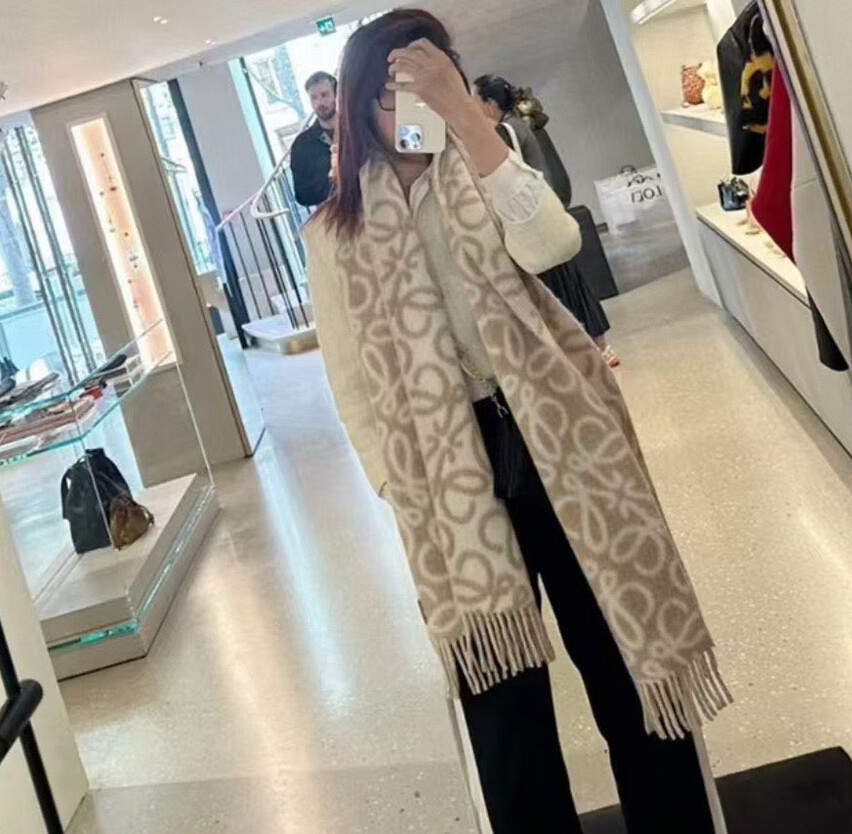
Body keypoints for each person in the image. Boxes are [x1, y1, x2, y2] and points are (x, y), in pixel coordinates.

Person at [303, 10, 729, 833]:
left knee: (623, 652)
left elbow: (552, 244)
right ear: (359, 106)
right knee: (504, 704)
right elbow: (349, 376)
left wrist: (464, 118)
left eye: (433, 81)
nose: (415, 106)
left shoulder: (488, 163)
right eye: (396, 91)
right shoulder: (335, 230)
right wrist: (395, 482)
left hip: (560, 435)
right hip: (448, 474)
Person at [473, 74, 619, 367]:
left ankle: (587, 351)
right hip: (546, 213)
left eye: (474, 99)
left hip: (532, 221)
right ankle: (600, 346)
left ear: (489, 104)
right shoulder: (519, 125)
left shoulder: (503, 132)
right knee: (572, 283)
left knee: (555, 291)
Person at [289, 71, 337, 207]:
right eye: (314, 98)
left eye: (324, 95)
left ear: (336, 94)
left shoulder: (357, 130)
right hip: (332, 215)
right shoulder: (302, 145)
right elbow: (302, 195)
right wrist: (334, 182)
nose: (320, 103)